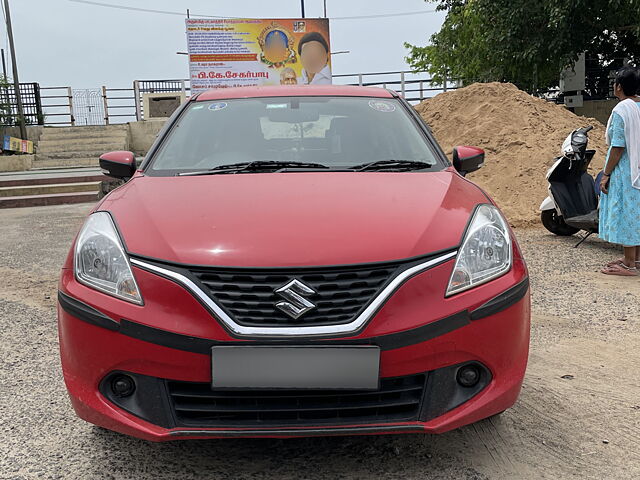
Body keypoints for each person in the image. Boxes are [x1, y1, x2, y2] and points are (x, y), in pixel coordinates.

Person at [599, 66, 640, 276]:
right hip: (639, 166)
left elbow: (617, 146)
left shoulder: (622, 110)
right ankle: (636, 259)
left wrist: (606, 173)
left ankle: (629, 264)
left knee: (627, 213)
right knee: (637, 212)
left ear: (619, 87)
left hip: (626, 169)